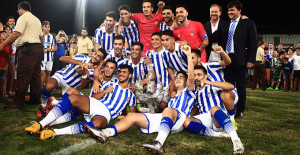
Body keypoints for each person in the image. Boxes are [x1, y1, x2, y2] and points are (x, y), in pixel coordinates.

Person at [83, 45, 195, 154]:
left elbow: (190, 78)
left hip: (180, 119)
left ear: (186, 82)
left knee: (168, 110)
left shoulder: (189, 91)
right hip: (166, 118)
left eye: (181, 77)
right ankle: (105, 133)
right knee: (132, 116)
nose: (178, 79)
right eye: (177, 77)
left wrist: (189, 56)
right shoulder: (172, 94)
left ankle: (159, 142)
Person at [24, 64, 136, 140]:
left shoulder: (131, 94)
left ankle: (54, 132)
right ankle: (40, 125)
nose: (121, 74)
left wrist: (124, 116)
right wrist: (105, 91)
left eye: (124, 72)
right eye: (120, 72)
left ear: (129, 75)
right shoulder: (110, 84)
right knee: (72, 97)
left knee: (98, 125)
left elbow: (132, 113)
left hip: (107, 114)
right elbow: (95, 96)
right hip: (98, 104)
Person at [183, 65, 244, 154]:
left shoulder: (212, 86)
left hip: (218, 117)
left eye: (199, 75)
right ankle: (217, 135)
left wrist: (210, 82)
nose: (196, 78)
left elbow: (231, 87)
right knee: (186, 121)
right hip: (206, 119)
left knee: (214, 108)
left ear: (206, 76)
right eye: (195, 75)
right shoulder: (195, 91)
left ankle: (235, 139)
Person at [0, 1, 44, 109]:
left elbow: (16, 33)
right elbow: (41, 37)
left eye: (18, 10)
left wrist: (3, 45)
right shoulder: (36, 19)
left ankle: (19, 102)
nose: (18, 12)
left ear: (21, 9)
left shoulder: (23, 17)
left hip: (27, 48)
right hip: (38, 47)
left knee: (23, 74)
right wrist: (40, 50)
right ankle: (35, 99)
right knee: (35, 75)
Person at [38, 48, 106, 117]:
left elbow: (83, 86)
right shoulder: (82, 57)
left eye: (99, 56)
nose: (95, 56)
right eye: (95, 54)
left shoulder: (95, 72)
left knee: (70, 109)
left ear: (101, 60)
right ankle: (43, 105)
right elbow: (62, 58)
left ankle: (54, 102)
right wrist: (80, 62)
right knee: (49, 86)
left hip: (70, 88)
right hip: (61, 76)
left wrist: (84, 74)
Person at [223, 1, 258, 118]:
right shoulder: (226, 24)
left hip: (241, 59)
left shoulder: (248, 23)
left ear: (239, 11)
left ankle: (240, 110)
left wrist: (251, 60)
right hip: (228, 59)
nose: (230, 12)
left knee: (241, 86)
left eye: (232, 10)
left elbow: (253, 43)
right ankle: (230, 108)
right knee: (228, 85)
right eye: (228, 10)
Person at [144, 32, 170, 111]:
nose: (154, 41)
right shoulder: (148, 53)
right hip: (154, 86)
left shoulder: (166, 52)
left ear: (161, 41)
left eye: (157, 39)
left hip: (166, 85)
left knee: (162, 106)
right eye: (152, 39)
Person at [41, 21, 57, 88]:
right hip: (41, 58)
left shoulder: (52, 37)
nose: (47, 28)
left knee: (48, 73)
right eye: (46, 27)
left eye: (48, 27)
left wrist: (50, 49)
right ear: (42, 28)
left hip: (50, 58)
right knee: (42, 74)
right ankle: (40, 88)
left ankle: (46, 88)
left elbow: (55, 48)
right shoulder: (40, 36)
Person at [3, 25, 16, 97]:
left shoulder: (14, 37)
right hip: (4, 55)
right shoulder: (2, 38)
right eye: (6, 29)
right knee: (5, 73)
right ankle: (3, 91)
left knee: (11, 73)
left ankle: (9, 90)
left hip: (12, 55)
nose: (8, 30)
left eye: (9, 29)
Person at [0, 31, 12, 100]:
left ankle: (2, 95)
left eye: (6, 34)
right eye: (3, 34)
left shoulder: (8, 45)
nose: (6, 35)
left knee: (3, 80)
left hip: (4, 65)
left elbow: (8, 55)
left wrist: (6, 64)